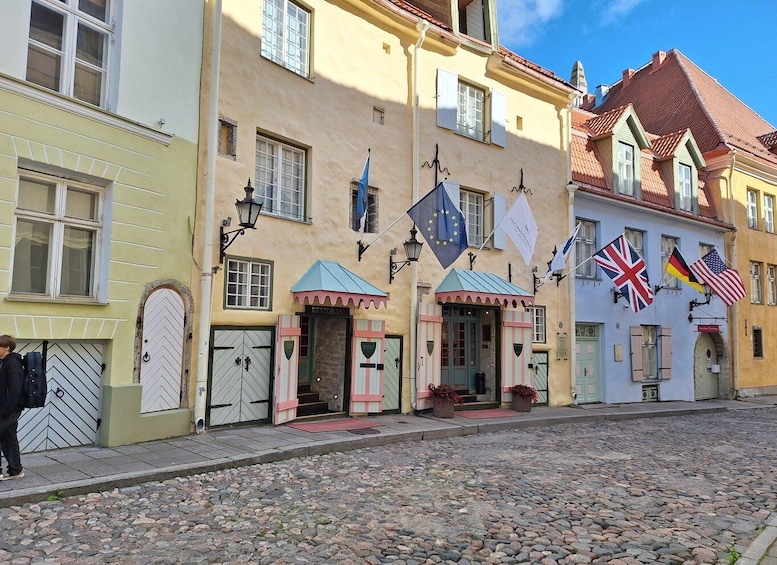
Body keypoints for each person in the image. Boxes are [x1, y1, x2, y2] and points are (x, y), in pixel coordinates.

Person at [0, 335, 25, 480]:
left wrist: (6, 409)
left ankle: (15, 470)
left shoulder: (13, 363)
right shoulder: (4, 362)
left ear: (7, 347)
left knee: (8, 437)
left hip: (10, 408)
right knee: (8, 438)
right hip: (5, 408)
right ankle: (16, 470)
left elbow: (15, 390)